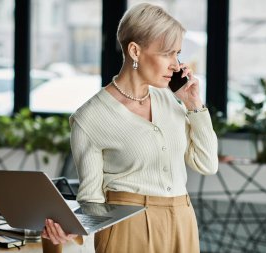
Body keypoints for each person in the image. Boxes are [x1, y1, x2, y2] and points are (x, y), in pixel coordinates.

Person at [41, 3, 218, 253]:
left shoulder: (170, 100)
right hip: (128, 228)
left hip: (182, 222)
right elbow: (91, 199)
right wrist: (73, 226)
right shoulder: (90, 118)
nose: (176, 65)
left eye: (177, 53)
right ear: (135, 51)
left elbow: (207, 164)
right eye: (167, 53)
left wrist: (194, 105)